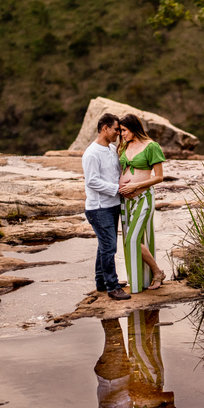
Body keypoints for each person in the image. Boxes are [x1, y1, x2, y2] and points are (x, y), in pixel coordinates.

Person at [82, 113, 131, 301]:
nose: (118, 133)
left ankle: (101, 282)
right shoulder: (91, 153)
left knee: (104, 246)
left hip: (112, 205)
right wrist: (117, 189)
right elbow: (92, 181)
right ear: (105, 128)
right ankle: (112, 287)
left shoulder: (111, 149)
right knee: (109, 247)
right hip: (98, 207)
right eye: (116, 129)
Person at [117, 114, 167, 293]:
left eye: (124, 130)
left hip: (143, 198)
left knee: (132, 239)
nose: (121, 134)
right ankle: (137, 279)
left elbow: (159, 177)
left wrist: (136, 185)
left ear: (134, 128)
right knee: (128, 240)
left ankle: (157, 272)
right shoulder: (124, 146)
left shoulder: (151, 146)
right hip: (125, 201)